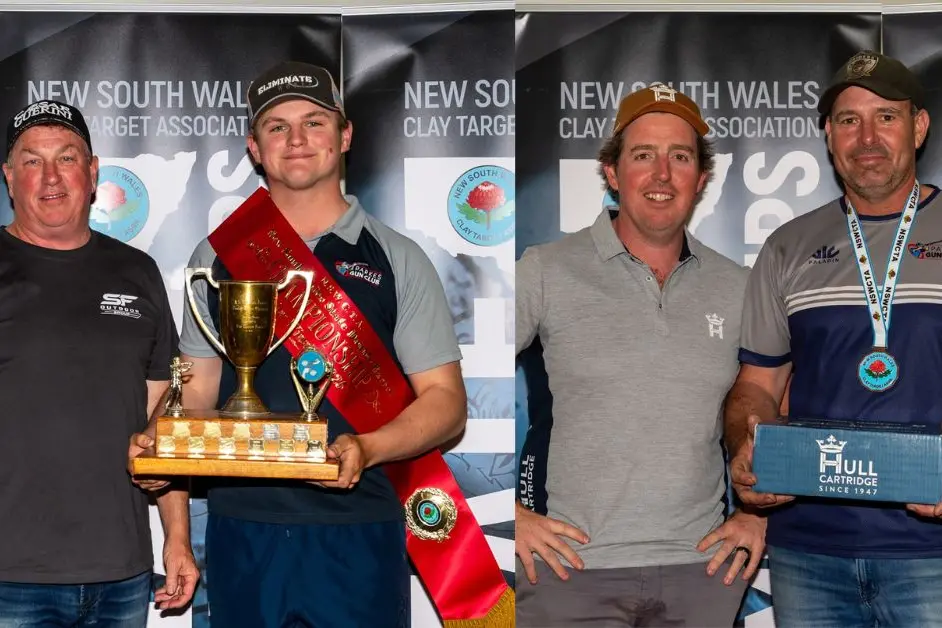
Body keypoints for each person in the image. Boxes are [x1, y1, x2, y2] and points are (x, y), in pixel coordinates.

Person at [161, 61, 469, 627]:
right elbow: (196, 391)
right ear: (255, 148)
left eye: (314, 122)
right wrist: (161, 441)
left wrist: (369, 448)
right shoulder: (217, 256)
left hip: (358, 530)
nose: (296, 139)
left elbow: (446, 403)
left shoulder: (397, 257)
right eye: (277, 127)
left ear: (344, 135)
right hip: (242, 529)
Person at [515, 83, 764, 627]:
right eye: (643, 155)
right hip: (571, 571)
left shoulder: (739, 286)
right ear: (612, 171)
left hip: (701, 574)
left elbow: (771, 401)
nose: (662, 175)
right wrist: (512, 517)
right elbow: (452, 378)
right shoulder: (545, 270)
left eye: (680, 157)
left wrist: (759, 516)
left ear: (701, 178)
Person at [725, 50, 942, 627]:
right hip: (810, 555)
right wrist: (744, 449)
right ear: (828, 134)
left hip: (933, 553)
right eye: (849, 120)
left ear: (919, 126)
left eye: (886, 116)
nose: (867, 137)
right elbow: (756, 385)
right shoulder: (788, 246)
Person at [0, 100, 197, 626]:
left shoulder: (138, 272)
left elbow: (164, 418)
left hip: (122, 576)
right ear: (9, 177)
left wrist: (177, 538)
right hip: (11, 581)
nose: (50, 177)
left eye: (66, 158)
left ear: (92, 173)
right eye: (32, 160)